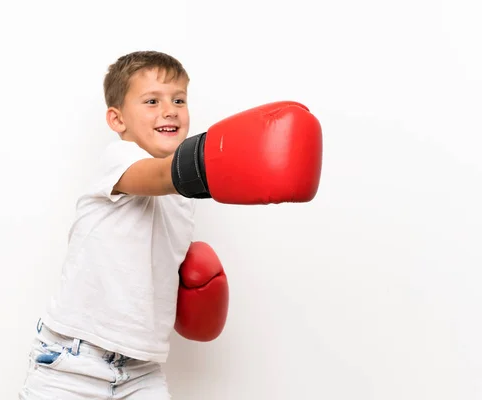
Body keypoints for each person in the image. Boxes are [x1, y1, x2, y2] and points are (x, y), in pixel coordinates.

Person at [19, 50, 323, 399]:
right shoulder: (121, 159)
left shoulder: (182, 198)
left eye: (179, 99)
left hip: (141, 369)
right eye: (152, 101)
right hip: (72, 362)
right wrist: (242, 153)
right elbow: (161, 174)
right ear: (118, 121)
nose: (170, 110)